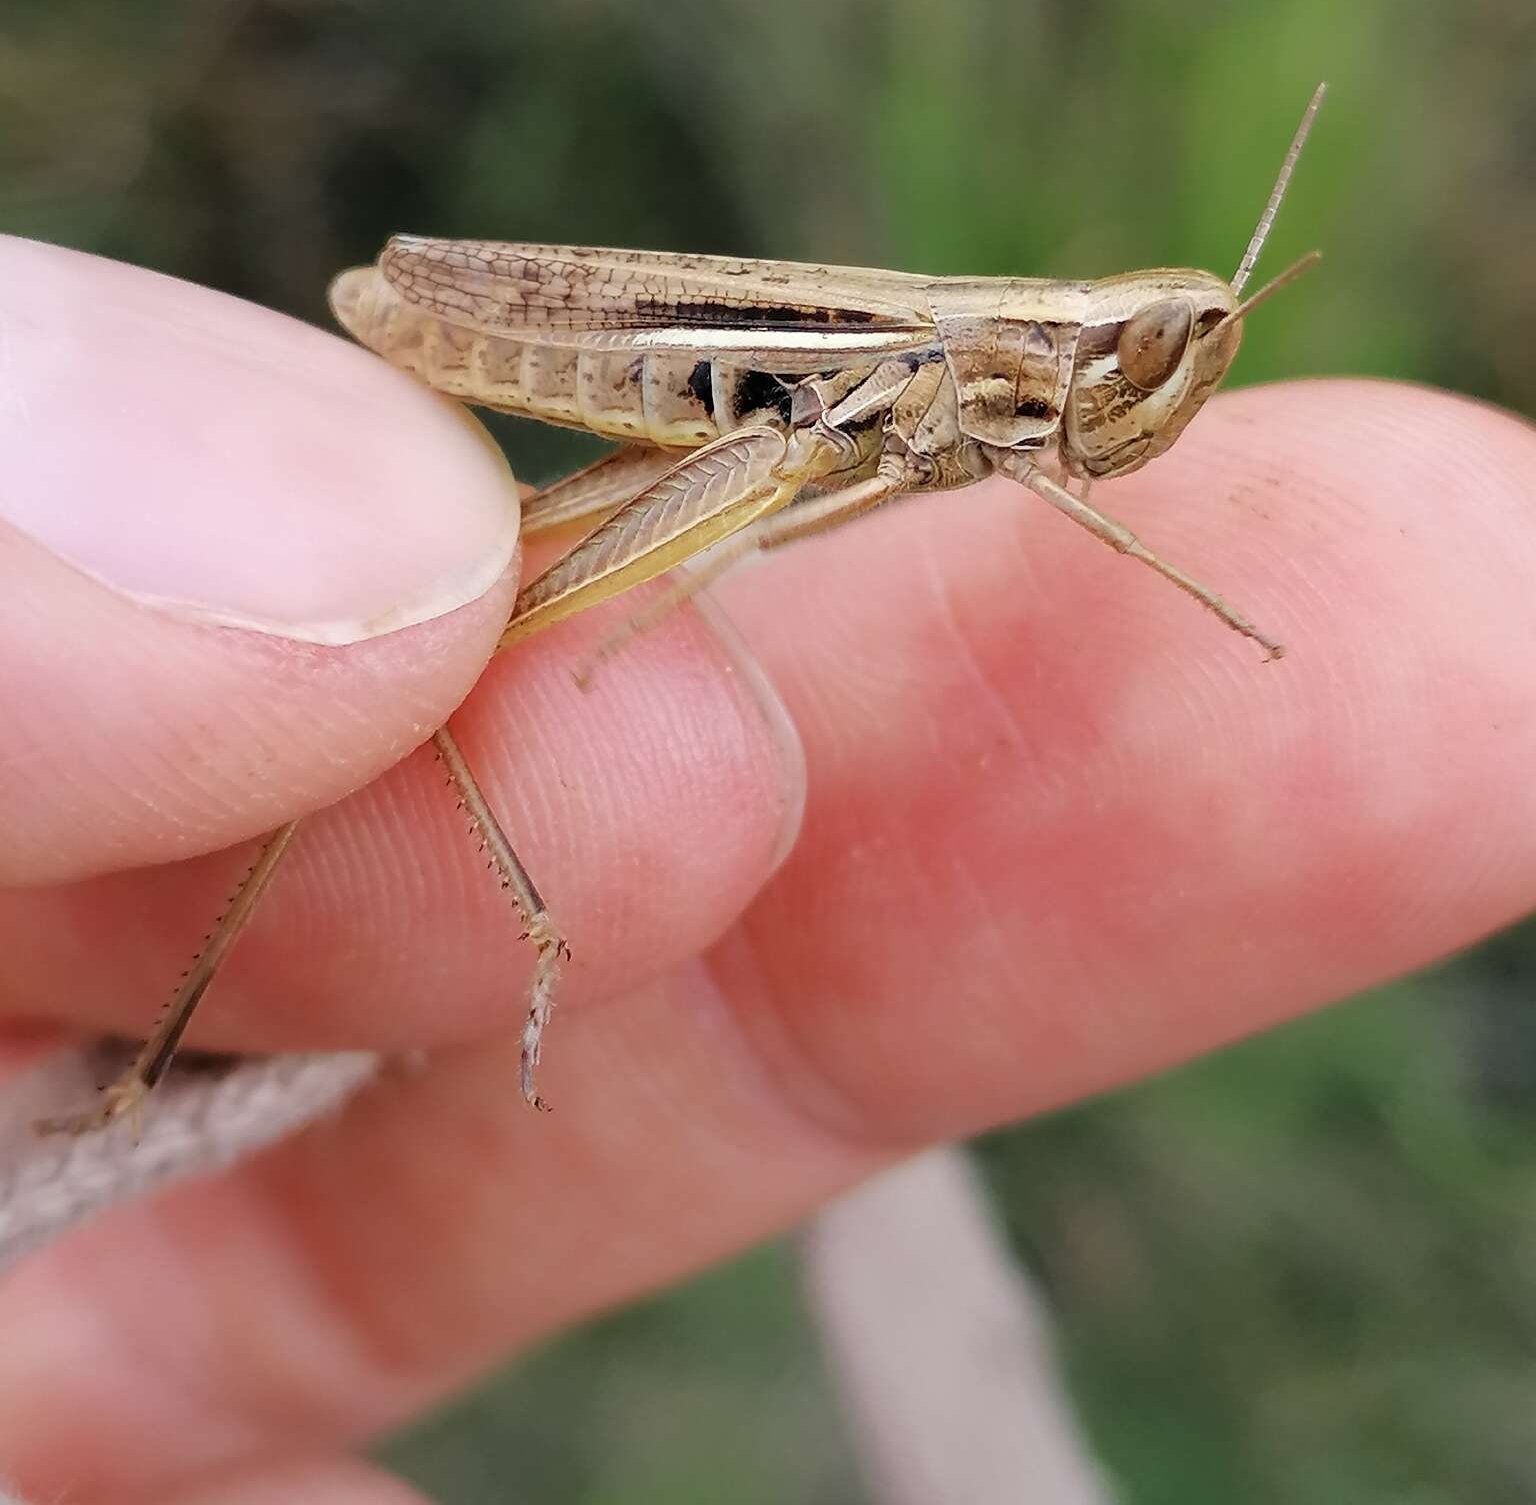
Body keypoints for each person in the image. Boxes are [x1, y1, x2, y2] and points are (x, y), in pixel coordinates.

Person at [0, 232, 1532, 1505]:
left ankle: (183, 1064)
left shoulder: (999, 402)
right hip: (675, 367)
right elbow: (861, 476)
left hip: (761, 440)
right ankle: (251, 1036)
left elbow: (864, 488)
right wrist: (1195, 589)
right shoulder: (959, 364)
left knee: (440, 709)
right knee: (378, 699)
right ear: (1067, 341)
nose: (1153, 380)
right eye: (1143, 349)